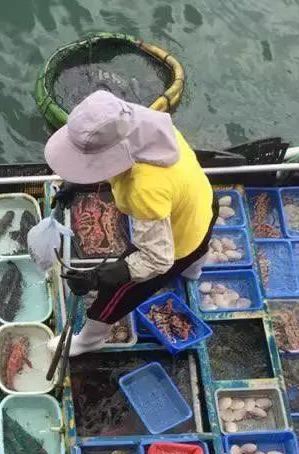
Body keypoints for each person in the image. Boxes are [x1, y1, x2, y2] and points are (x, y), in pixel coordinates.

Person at [44, 90, 218, 356]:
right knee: (198, 247)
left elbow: (158, 259)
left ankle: (89, 340)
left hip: (176, 242)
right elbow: (113, 162)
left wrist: (101, 277)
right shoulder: (145, 125)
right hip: (203, 205)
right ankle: (193, 273)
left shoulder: (144, 189)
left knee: (119, 293)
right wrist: (77, 183)